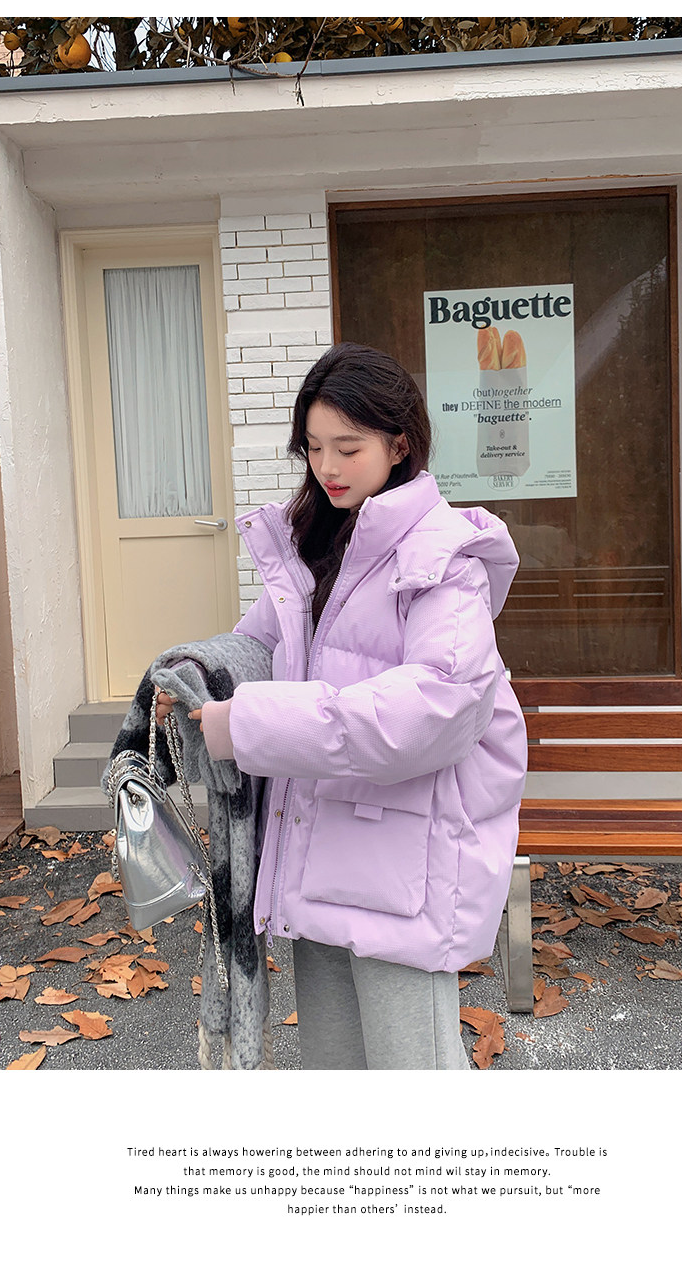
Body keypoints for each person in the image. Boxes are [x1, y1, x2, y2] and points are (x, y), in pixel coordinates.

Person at [156, 342, 527, 1070]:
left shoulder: (442, 559)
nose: (328, 466)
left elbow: (431, 709)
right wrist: (194, 675)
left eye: (348, 448)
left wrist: (246, 724)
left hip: (403, 864)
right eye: (314, 446)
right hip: (316, 846)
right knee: (335, 1073)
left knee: (413, 1078)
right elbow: (256, 645)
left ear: (400, 444)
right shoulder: (314, 543)